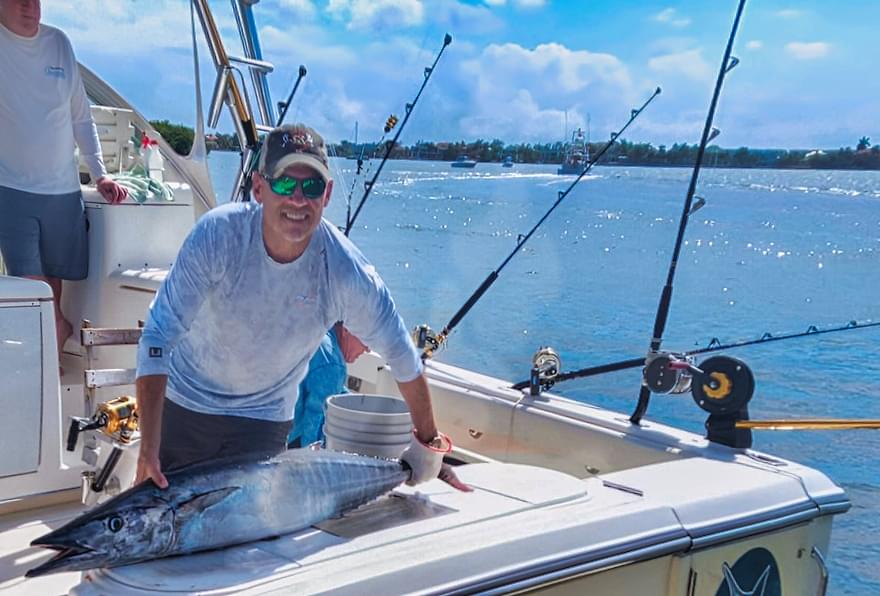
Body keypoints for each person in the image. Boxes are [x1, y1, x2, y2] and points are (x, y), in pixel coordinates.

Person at [135, 123, 455, 491]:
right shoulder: (217, 236)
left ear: (327, 193)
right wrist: (148, 450)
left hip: (263, 422)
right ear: (259, 188)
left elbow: (402, 356)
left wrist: (429, 444)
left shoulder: (345, 271)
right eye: (285, 184)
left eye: (312, 186)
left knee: (252, 528)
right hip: (185, 407)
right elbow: (158, 336)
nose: (298, 199)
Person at [0, 0, 128, 357]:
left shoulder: (59, 43)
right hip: (11, 189)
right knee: (30, 285)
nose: (30, 6)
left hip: (63, 191)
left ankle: (50, 360)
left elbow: (81, 117)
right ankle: (57, 330)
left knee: (52, 284)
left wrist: (100, 175)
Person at [288, 322, 368, 448]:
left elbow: (328, 388)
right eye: (367, 339)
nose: (368, 349)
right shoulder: (332, 363)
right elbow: (316, 419)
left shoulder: (320, 335)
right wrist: (311, 457)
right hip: (288, 437)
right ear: (347, 330)